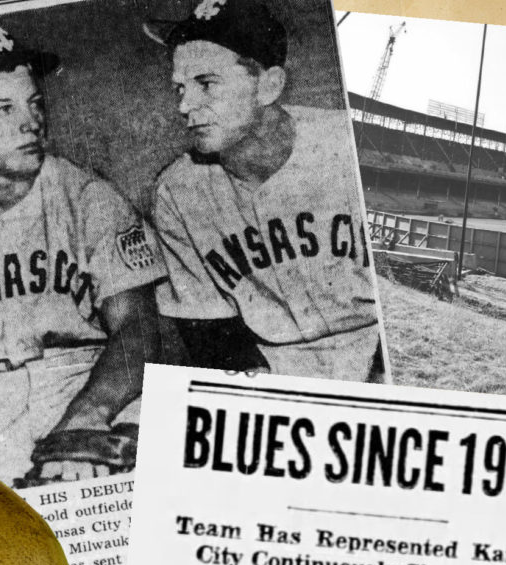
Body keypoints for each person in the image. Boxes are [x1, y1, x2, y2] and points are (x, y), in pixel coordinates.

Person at [0, 26, 164, 487]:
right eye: (4, 108)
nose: (31, 122)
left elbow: (137, 330)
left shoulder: (88, 197)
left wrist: (84, 418)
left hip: (85, 377)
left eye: (34, 103)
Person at [143, 0, 383, 381]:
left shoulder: (345, 145)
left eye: (206, 84)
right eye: (180, 88)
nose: (185, 106)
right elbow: (209, 332)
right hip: (273, 367)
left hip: (379, 350)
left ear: (269, 86)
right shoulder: (176, 190)